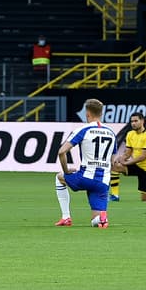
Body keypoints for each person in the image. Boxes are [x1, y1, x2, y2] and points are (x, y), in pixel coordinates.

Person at [54, 97, 117, 228]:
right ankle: (102, 219)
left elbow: (61, 152)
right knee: (95, 220)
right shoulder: (111, 133)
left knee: (59, 177)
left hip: (85, 177)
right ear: (101, 113)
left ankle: (66, 217)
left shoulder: (83, 130)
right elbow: (113, 161)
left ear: (87, 113)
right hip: (103, 182)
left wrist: (66, 171)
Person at [112, 111, 146, 203]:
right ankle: (114, 196)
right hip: (136, 166)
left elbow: (142, 157)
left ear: (142, 121)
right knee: (115, 166)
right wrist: (121, 159)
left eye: (136, 121)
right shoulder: (130, 134)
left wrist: (126, 162)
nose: (133, 123)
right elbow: (128, 153)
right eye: (132, 121)